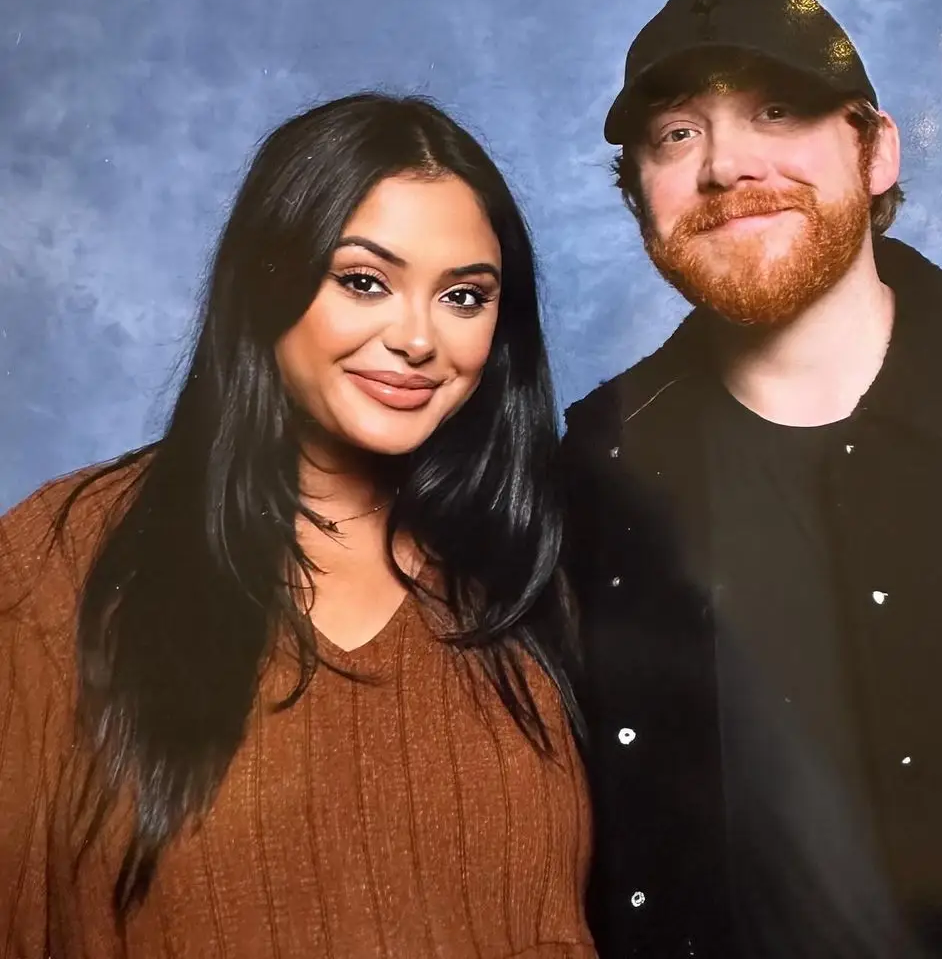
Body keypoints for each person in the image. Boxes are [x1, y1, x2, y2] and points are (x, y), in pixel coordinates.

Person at [0, 93, 596, 958]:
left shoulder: (528, 569)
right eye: (364, 281)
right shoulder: (61, 557)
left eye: (464, 296)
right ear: (267, 282)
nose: (417, 338)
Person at [562, 0, 942, 958]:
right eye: (678, 133)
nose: (726, 165)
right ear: (637, 194)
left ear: (877, 151)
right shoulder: (596, 462)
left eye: (777, 111)